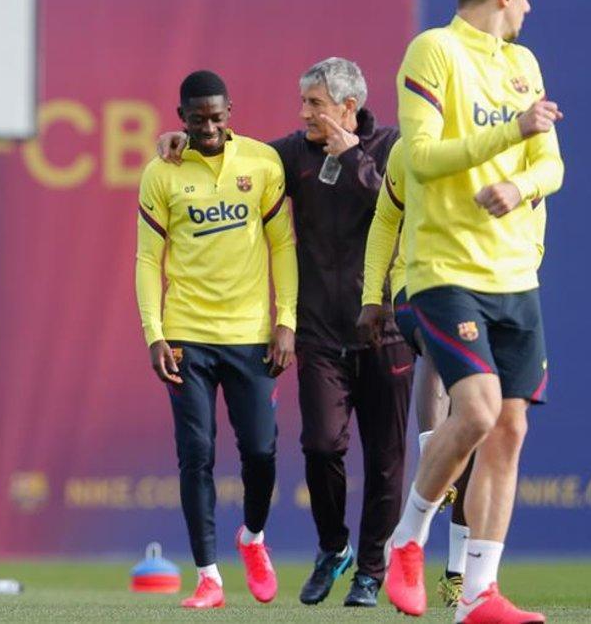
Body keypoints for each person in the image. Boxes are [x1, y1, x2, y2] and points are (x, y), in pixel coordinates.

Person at [157, 58, 410, 608]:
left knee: (386, 458)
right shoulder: (292, 154)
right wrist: (184, 138)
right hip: (319, 332)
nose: (303, 115)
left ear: (348, 106)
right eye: (303, 104)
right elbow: (231, 151)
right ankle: (332, 547)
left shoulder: (393, 148)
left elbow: (404, 207)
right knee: (320, 446)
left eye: (314, 105)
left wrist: (357, 160)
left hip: (385, 327)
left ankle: (371, 569)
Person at [382, 0, 563, 621]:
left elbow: (552, 165)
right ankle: (408, 541)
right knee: (479, 411)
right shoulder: (433, 52)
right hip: (447, 268)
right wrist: (507, 137)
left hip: (517, 273)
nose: (531, 8)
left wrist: (521, 184)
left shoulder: (524, 65)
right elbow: (422, 160)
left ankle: (478, 595)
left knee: (509, 429)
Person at [135, 70, 296, 609]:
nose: (208, 127)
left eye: (216, 117)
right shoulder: (162, 172)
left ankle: (252, 539)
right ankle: (209, 578)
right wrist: (154, 333)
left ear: (231, 112)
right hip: (187, 335)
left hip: (251, 335)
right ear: (180, 117)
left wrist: (286, 321)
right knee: (196, 454)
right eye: (197, 118)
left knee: (261, 451)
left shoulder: (262, 163)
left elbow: (282, 246)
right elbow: (147, 259)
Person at [357, 139, 475, 609]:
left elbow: (536, 202)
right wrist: (372, 295)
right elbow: (386, 220)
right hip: (418, 280)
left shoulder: (499, 141)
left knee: (478, 428)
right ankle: (431, 454)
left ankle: (459, 573)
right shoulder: (411, 148)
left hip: (489, 284)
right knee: (437, 344)